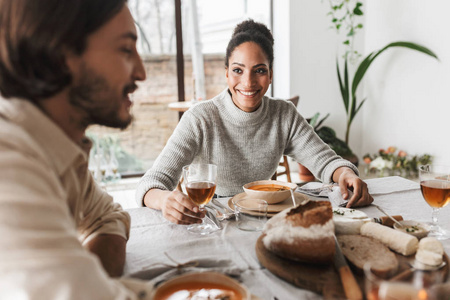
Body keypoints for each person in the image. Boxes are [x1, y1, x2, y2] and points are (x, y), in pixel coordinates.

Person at [136, 19, 373, 225]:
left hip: (264, 216)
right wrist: (164, 199)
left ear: (270, 75)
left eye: (259, 70)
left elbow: (325, 161)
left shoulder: (283, 114)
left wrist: (345, 174)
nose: (248, 82)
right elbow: (151, 183)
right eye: (238, 70)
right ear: (226, 73)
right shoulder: (200, 118)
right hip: (213, 219)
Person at [0, 0, 155, 298]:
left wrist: (87, 277)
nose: (141, 72)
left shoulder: (57, 146)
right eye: (125, 49)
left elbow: (108, 218)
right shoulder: (9, 161)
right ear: (61, 53)